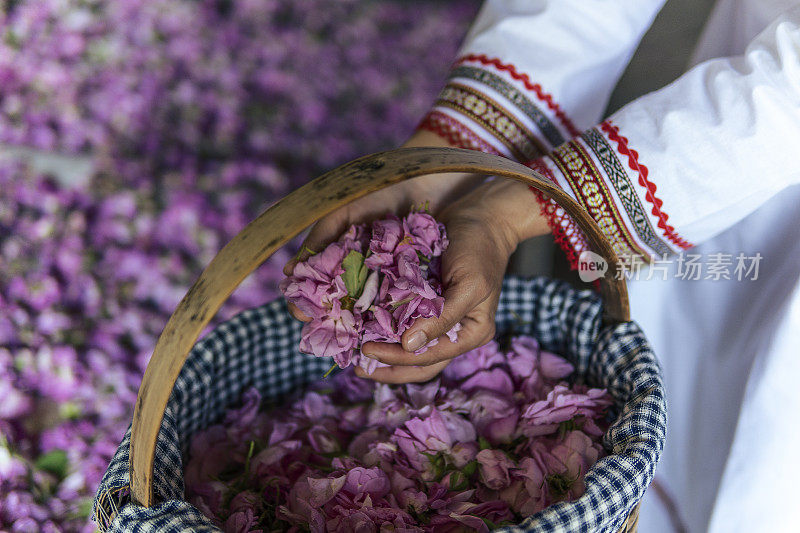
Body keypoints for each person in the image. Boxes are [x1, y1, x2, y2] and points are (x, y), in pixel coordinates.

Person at [284, 1, 800, 531]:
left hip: (735, 152)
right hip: (718, 159)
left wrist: (504, 216)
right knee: (682, 412)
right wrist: (439, 157)